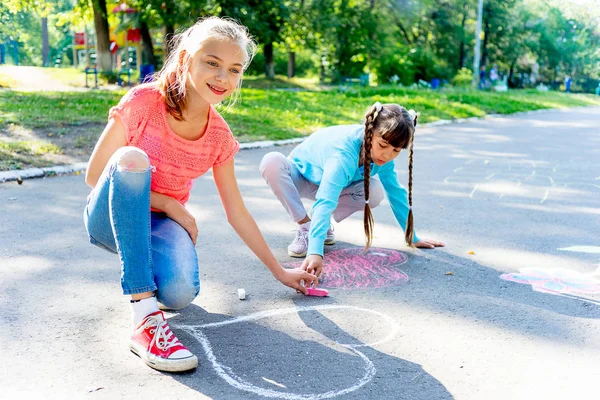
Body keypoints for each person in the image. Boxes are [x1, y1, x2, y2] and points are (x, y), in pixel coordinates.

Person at [83, 17, 317, 373]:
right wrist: (167, 203)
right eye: (212, 63)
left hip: (158, 225)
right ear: (185, 60)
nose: (224, 77)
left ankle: (151, 289)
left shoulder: (219, 137)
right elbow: (95, 175)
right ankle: (144, 320)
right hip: (109, 215)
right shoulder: (144, 103)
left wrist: (280, 271)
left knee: (178, 295)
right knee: (132, 159)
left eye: (234, 69)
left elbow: (237, 211)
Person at [259, 102, 445, 278]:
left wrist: (411, 235)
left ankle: (322, 225)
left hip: (335, 184)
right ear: (370, 133)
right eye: (383, 145)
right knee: (271, 162)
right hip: (302, 177)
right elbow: (326, 200)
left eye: (396, 150)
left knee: (374, 191)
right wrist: (316, 252)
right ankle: (306, 226)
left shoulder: (383, 158)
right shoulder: (344, 154)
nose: (387, 155)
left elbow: (396, 192)